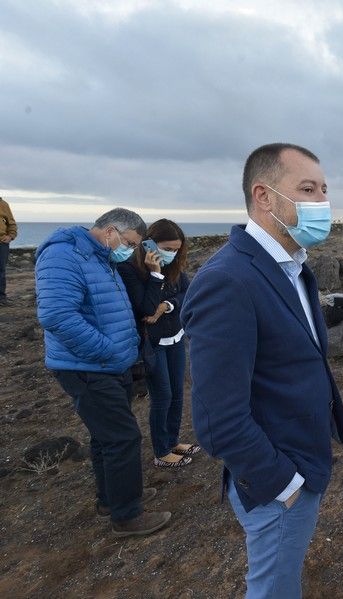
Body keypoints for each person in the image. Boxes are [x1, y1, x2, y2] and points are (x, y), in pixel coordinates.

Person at [182, 143, 343, 599]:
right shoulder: (228, 280)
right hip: (280, 480)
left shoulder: (291, 266)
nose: (322, 202)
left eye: (323, 190)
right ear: (264, 196)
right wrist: (285, 484)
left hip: (303, 458)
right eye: (307, 189)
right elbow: (217, 420)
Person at [35, 208, 171, 537]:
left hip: (108, 366)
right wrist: (105, 350)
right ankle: (127, 516)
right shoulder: (64, 255)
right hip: (88, 366)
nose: (129, 250)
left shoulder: (98, 257)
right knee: (123, 437)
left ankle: (112, 499)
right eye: (128, 242)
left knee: (105, 437)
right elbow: (56, 316)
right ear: (110, 231)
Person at [118, 219, 199, 469]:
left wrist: (166, 306)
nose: (171, 254)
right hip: (152, 342)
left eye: (176, 249)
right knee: (162, 396)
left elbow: (188, 293)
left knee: (177, 393)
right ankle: (161, 451)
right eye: (167, 248)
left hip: (176, 336)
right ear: (149, 243)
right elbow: (144, 307)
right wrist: (154, 274)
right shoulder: (129, 269)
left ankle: (172, 441)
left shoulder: (174, 266)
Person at [0, 196, 17, 306]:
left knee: (0, 271)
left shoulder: (3, 204)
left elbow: (11, 223)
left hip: (1, 243)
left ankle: (1, 298)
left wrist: (10, 236)